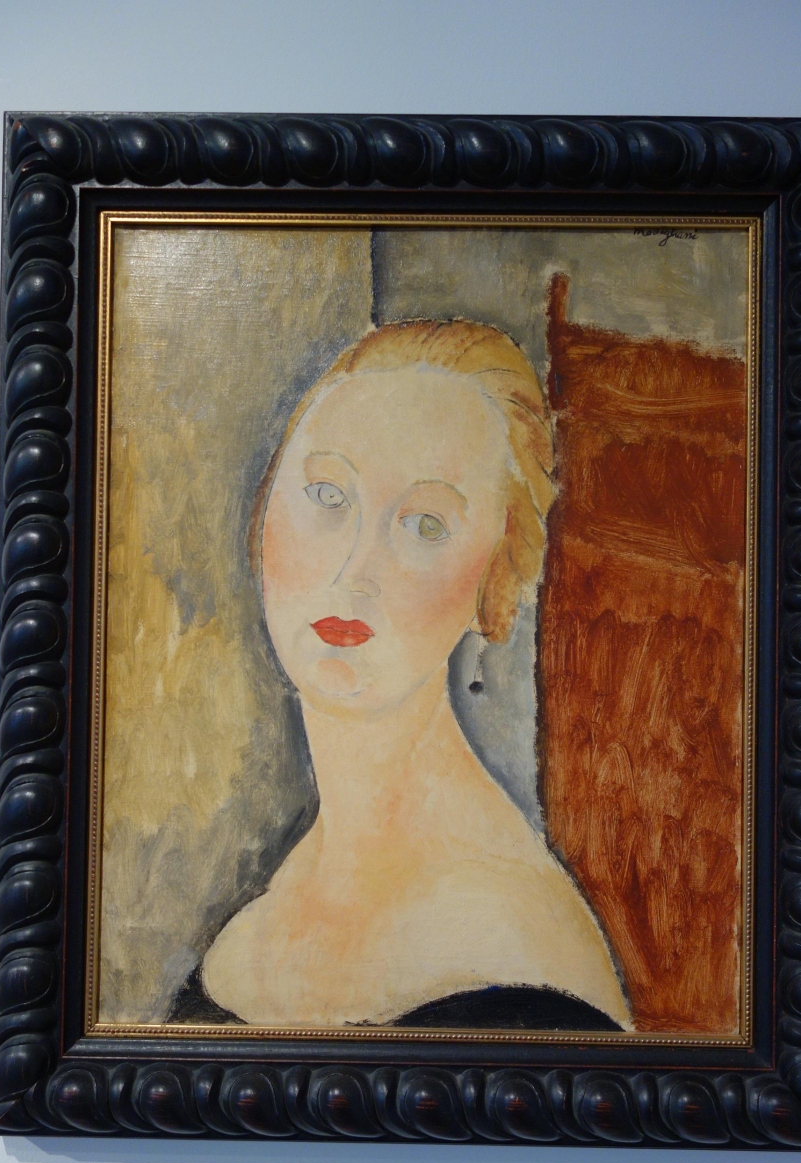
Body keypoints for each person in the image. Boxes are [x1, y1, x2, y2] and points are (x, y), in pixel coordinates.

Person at [170, 319, 630, 1031]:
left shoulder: (514, 949)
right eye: (328, 496)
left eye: (425, 526)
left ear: (494, 584)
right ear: (263, 514)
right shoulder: (276, 899)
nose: (355, 572)